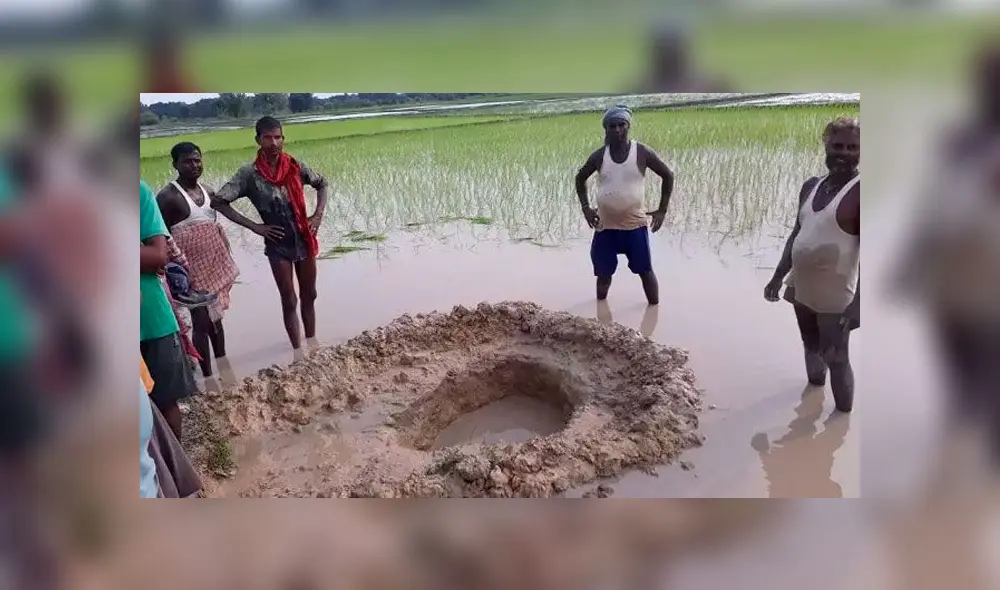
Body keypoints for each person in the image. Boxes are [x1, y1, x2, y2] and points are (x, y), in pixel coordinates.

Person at [764, 117, 860, 414]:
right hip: (801, 285)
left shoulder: (860, 191)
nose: (844, 152)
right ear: (826, 146)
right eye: (838, 145)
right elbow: (797, 233)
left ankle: (841, 421)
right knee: (810, 344)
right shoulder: (811, 186)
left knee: (837, 357)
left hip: (836, 294)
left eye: (853, 147)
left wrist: (858, 306)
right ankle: (813, 394)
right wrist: (778, 277)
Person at [211, 116, 329, 351]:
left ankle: (312, 343)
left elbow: (322, 183)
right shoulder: (250, 174)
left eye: (277, 137)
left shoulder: (295, 165)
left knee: (310, 294)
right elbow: (219, 201)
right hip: (277, 243)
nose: (273, 143)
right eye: (267, 137)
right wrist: (256, 227)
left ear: (283, 138)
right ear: (258, 140)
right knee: (289, 299)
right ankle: (297, 351)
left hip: (303, 238)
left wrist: (317, 215)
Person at [574, 105, 674, 305]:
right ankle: (600, 312)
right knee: (603, 275)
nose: (617, 130)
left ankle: (654, 312)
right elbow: (580, 178)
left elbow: (667, 175)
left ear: (628, 126)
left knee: (645, 271)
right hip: (605, 228)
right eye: (612, 126)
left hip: (634, 227)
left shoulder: (641, 152)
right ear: (606, 129)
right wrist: (586, 208)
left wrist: (662, 210)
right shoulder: (599, 156)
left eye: (622, 125)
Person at [157, 142, 239, 377]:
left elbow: (221, 218)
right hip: (187, 267)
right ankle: (207, 375)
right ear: (175, 165)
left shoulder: (209, 192)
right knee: (201, 321)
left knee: (216, 318)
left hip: (212, 263)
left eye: (197, 160)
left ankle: (224, 368)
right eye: (187, 161)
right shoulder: (168, 197)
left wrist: (257, 227)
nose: (194, 165)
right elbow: (159, 233)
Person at [141, 179, 198, 439]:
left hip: (151, 320)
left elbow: (158, 256)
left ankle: (175, 472)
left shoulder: (137, 192)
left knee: (166, 401)